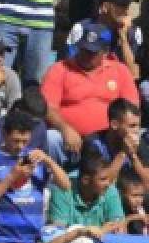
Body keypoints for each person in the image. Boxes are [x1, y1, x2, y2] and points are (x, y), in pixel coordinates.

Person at [0, 110, 72, 243]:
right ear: (4, 134)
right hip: (2, 242)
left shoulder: (35, 157)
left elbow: (66, 185)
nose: (20, 146)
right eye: (16, 141)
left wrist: (49, 161)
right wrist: (12, 176)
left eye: (25, 141)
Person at [43, 22, 139, 152]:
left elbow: (132, 108)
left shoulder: (120, 70)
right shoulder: (59, 69)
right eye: (83, 49)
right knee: (51, 138)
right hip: (70, 139)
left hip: (109, 141)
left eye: (92, 52)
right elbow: (48, 107)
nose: (85, 56)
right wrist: (64, 128)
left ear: (105, 52)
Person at [46, 152, 125, 229]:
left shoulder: (110, 190)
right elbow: (57, 231)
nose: (108, 183)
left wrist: (116, 226)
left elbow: (119, 229)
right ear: (85, 180)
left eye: (109, 179)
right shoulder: (62, 191)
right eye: (103, 179)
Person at [84, 98, 149, 187]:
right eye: (132, 126)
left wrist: (133, 156)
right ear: (114, 125)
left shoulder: (139, 143)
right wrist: (123, 153)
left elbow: (147, 183)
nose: (137, 131)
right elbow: (103, 184)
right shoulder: (93, 143)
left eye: (138, 126)